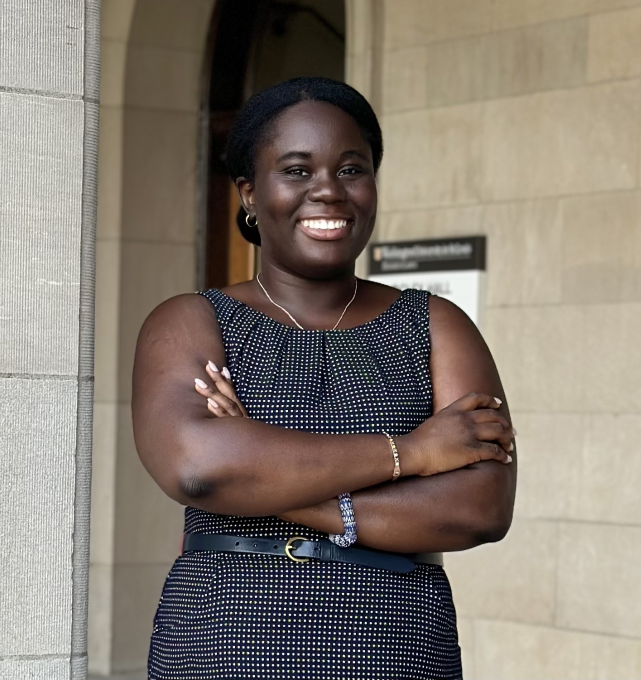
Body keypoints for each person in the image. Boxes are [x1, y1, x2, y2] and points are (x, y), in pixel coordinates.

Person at [132, 77, 516, 680]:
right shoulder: (191, 320)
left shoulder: (436, 325)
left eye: (351, 169)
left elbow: (479, 508)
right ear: (250, 194)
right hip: (221, 642)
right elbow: (200, 468)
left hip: (399, 646)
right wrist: (414, 453)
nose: (328, 192)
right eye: (296, 170)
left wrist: (262, 475)